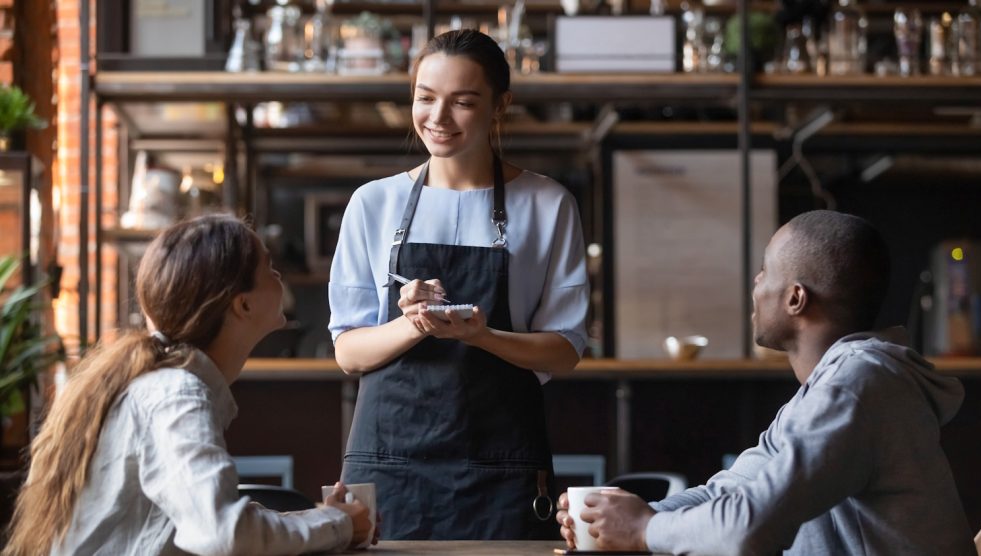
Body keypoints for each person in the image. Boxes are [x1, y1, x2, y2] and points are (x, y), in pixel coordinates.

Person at [556, 210, 977, 555]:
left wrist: (644, 529)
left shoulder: (858, 385)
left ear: (796, 298)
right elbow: (731, 492)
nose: (755, 285)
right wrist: (617, 516)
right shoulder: (826, 389)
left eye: (764, 271)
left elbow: (749, 527)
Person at [328, 29, 589, 540]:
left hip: (502, 467)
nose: (438, 118)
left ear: (500, 106)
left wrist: (481, 335)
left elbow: (563, 351)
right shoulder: (372, 204)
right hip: (388, 466)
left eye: (463, 102)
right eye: (425, 99)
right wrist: (414, 325)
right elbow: (349, 352)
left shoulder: (547, 203)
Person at [4, 215, 374, 555]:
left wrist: (324, 518)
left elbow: (195, 523)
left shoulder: (162, 385)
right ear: (242, 305)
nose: (279, 277)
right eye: (269, 268)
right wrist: (337, 524)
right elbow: (224, 532)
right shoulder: (176, 395)